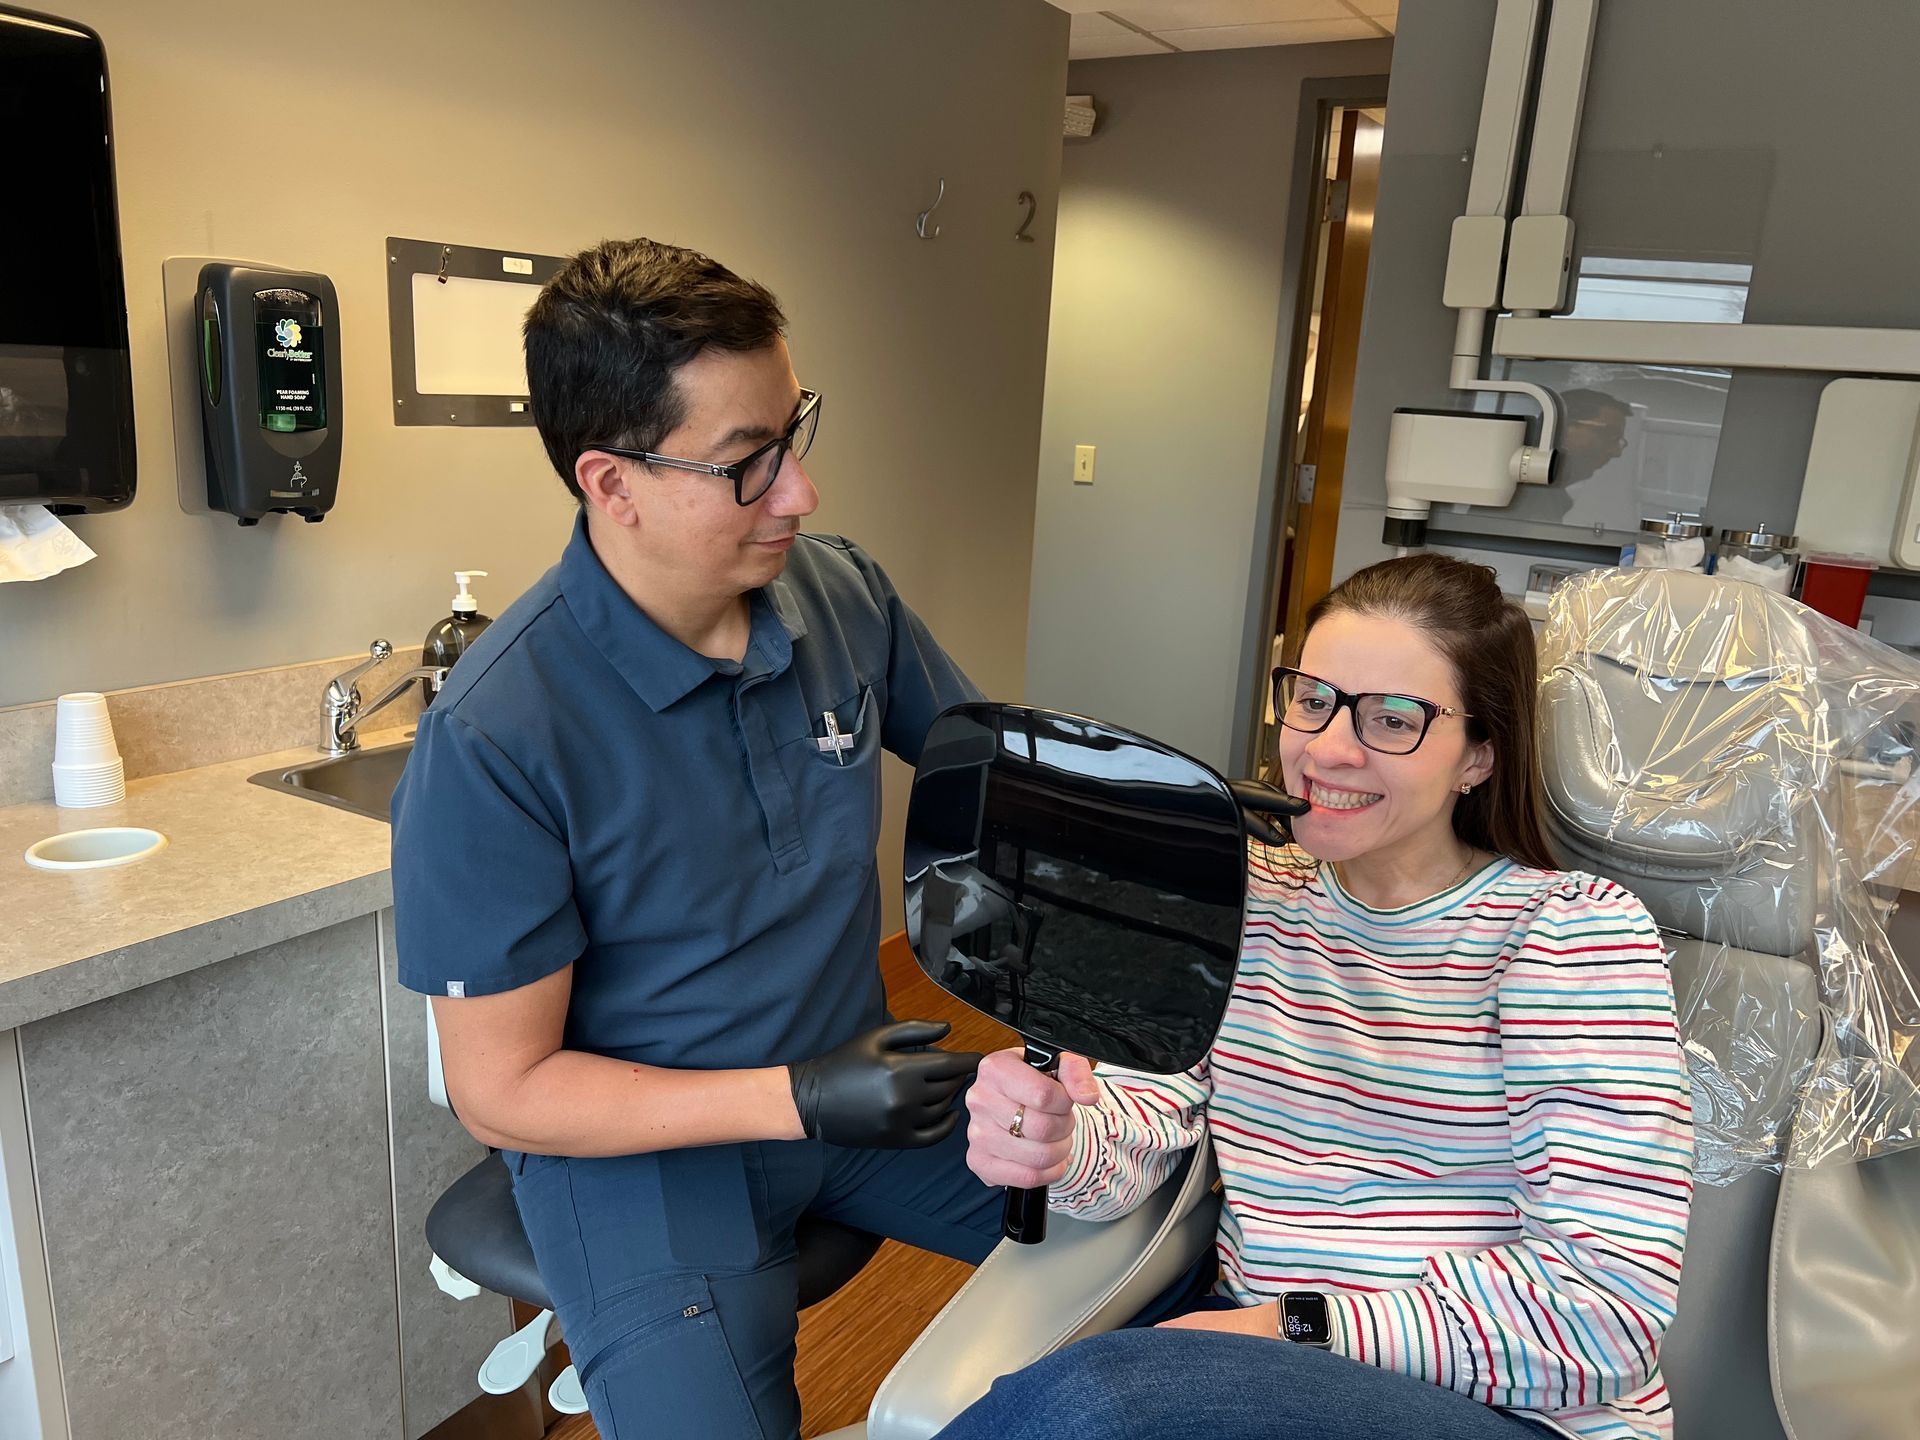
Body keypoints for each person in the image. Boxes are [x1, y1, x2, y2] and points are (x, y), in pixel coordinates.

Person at [391, 238, 1002, 1438]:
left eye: (794, 433)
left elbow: (994, 778)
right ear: (610, 483)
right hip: (642, 1160)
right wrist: (802, 1095)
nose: (800, 493)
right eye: (746, 464)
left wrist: (1188, 835)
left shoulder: (841, 598)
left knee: (1167, 1230)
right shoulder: (499, 734)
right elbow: (503, 1092)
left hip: (862, 1090)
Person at [943, 554, 1695, 1440]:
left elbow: (1605, 1311)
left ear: (1479, 755)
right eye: (1313, 699)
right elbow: (1145, 1131)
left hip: (1508, 1409)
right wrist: (1066, 1144)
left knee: (1096, 1399)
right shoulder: (1243, 895)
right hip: (1262, 1367)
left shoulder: (1564, 936)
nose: (1330, 748)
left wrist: (1289, 1325)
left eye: (1393, 719)